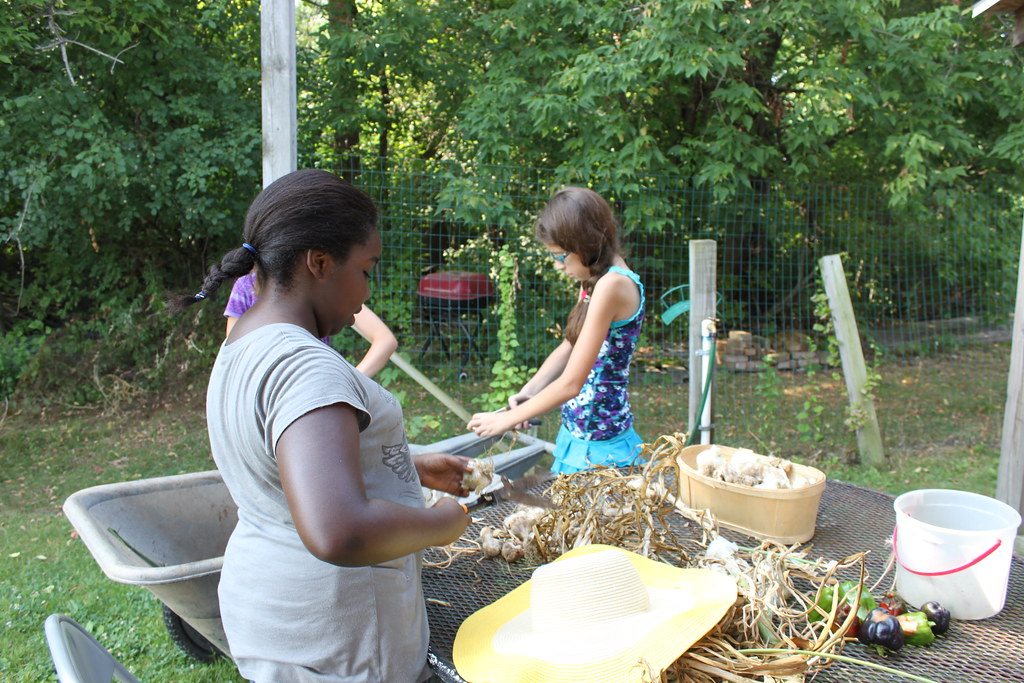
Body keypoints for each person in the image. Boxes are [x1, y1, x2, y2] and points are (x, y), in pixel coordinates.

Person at [169, 169, 471, 682]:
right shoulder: (308, 366)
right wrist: (448, 521)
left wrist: (407, 467)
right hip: (342, 645)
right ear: (320, 262)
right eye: (367, 269)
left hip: (276, 619)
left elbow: (280, 465)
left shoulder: (243, 340)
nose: (367, 291)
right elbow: (340, 531)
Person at [467, 186, 645, 474]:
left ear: (586, 244)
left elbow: (571, 383)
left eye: (561, 256)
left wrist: (505, 421)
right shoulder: (594, 279)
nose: (558, 265)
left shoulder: (612, 285)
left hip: (601, 450)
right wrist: (527, 394)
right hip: (577, 436)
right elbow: (569, 345)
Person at [224, 270, 398, 377]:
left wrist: (351, 382)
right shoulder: (246, 286)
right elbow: (234, 356)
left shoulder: (323, 286)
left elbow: (385, 340)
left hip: (317, 388)